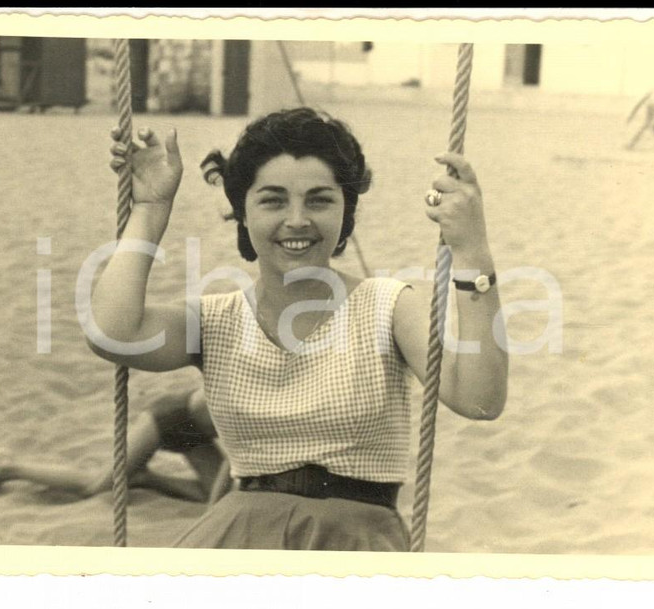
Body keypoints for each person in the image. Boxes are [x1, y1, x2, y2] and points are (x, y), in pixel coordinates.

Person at [89, 108, 509, 551]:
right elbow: (113, 332)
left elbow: (480, 400)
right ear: (242, 212)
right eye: (273, 200)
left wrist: (473, 251)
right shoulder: (215, 320)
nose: (297, 219)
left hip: (354, 544)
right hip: (237, 539)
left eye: (319, 199)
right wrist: (151, 209)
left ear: (345, 210)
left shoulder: (387, 307)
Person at [0, 386, 231, 505]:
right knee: (97, 487)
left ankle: (144, 478)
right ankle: (9, 467)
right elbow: (238, 455)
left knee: (212, 495)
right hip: (167, 417)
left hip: (193, 430)